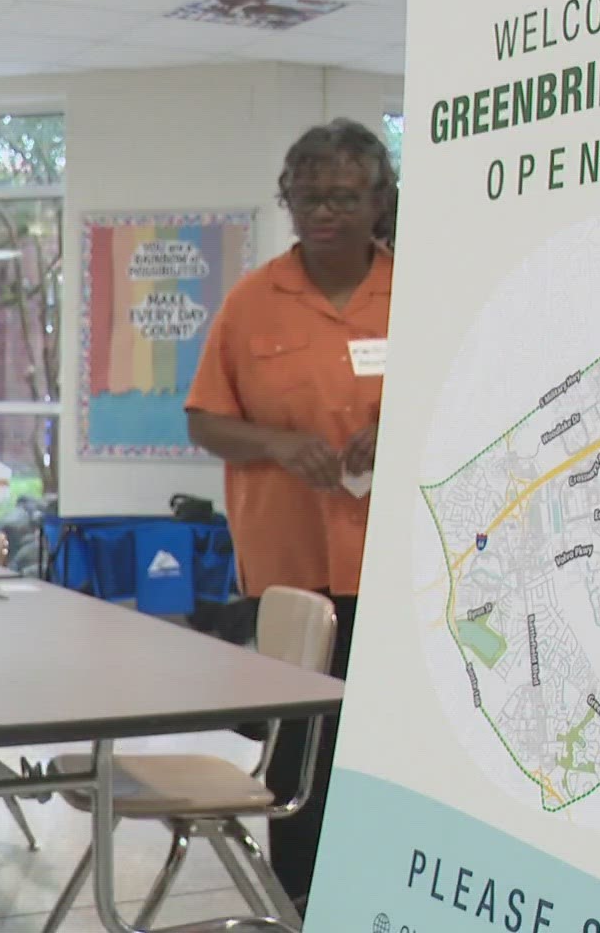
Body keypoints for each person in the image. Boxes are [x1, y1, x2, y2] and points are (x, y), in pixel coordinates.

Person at [185, 118, 397, 917]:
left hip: (388, 563)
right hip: (288, 570)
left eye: (343, 196)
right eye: (308, 197)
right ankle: (298, 897)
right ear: (288, 201)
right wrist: (276, 442)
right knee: (299, 749)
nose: (324, 212)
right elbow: (204, 421)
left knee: (379, 743)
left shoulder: (416, 292)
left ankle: (375, 891)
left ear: (378, 201)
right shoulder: (252, 302)